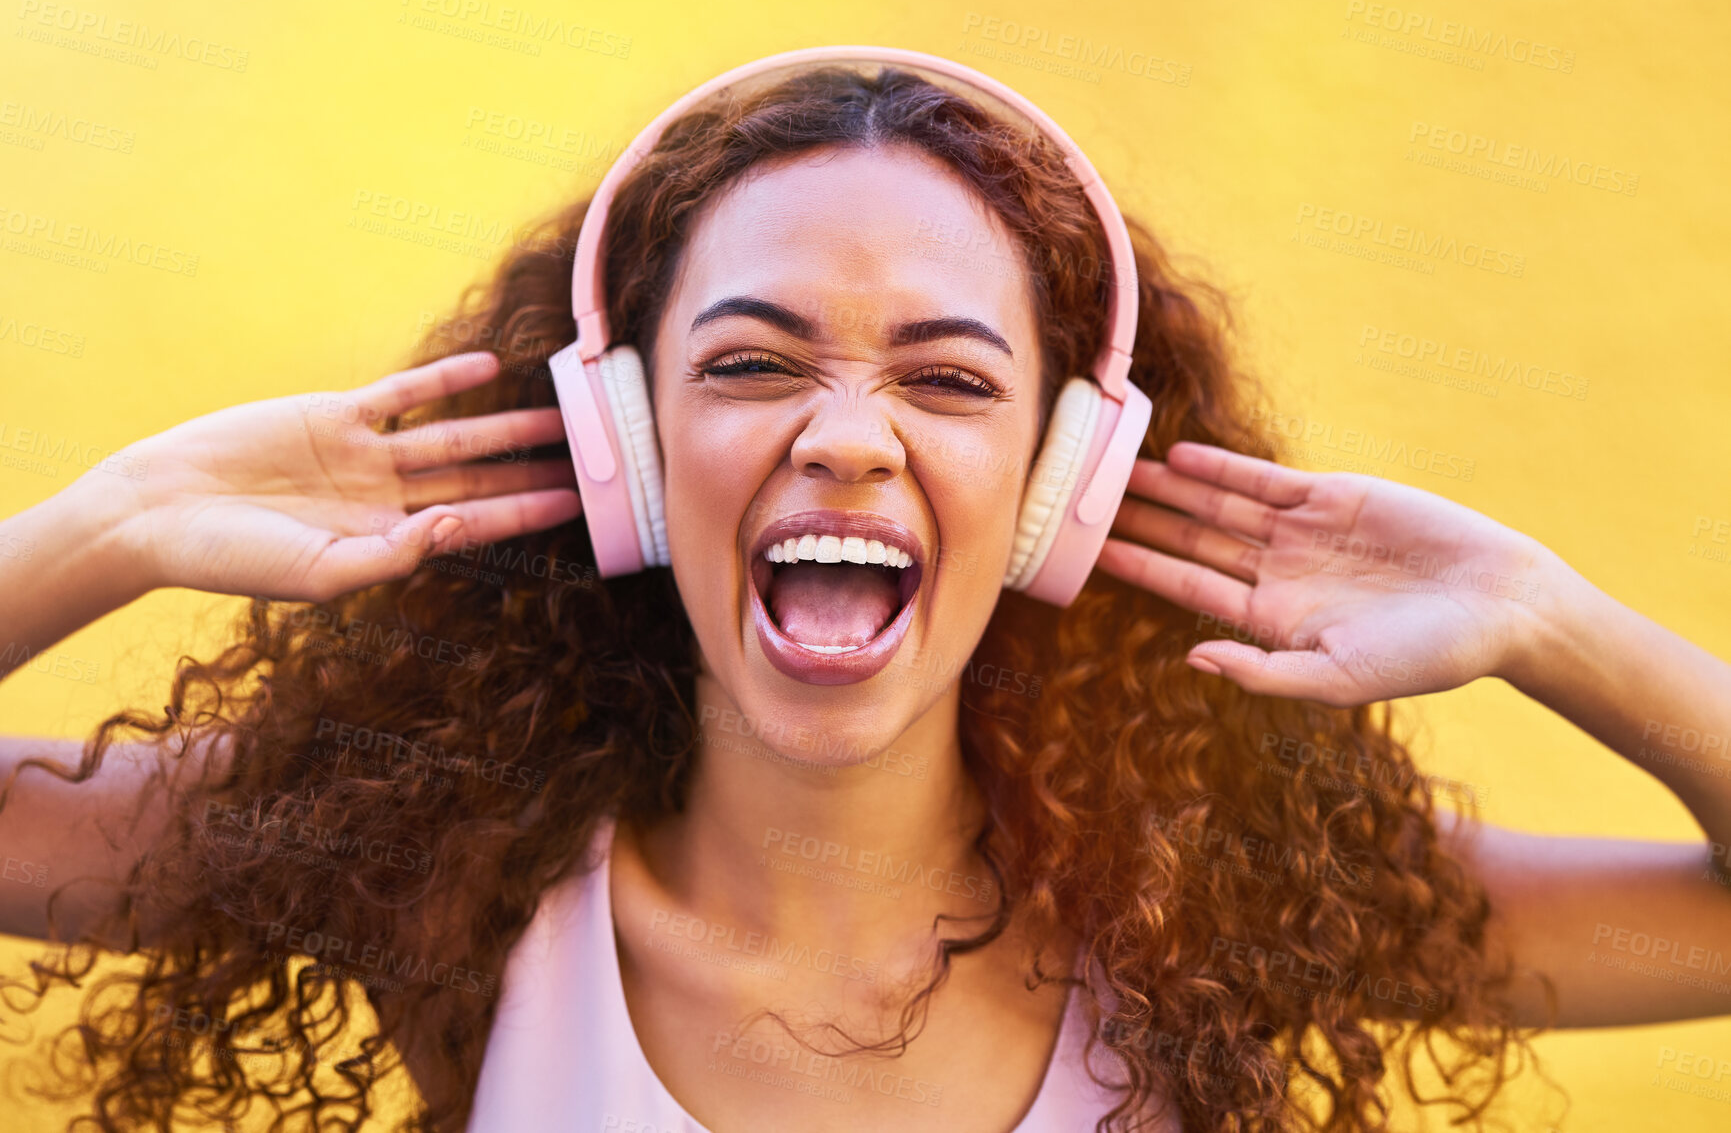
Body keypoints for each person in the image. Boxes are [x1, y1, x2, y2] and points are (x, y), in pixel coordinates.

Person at [2, 58, 1729, 1133]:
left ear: (1064, 490)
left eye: (951, 382)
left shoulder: (1222, 910)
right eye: (751, 365)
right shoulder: (450, 892)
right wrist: (111, 520)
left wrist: (1551, 623)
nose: (847, 440)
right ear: (623, 446)